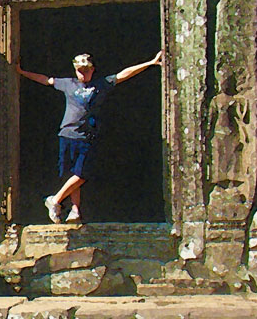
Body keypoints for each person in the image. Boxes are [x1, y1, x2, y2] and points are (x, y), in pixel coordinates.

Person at [16, 50, 164, 224]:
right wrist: (21, 72)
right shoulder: (67, 84)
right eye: (79, 70)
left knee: (83, 173)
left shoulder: (101, 84)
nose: (83, 73)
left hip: (86, 136)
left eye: (86, 70)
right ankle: (75, 211)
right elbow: (45, 79)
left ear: (93, 70)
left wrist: (150, 63)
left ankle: (55, 200)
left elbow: (124, 74)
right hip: (67, 134)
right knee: (72, 174)